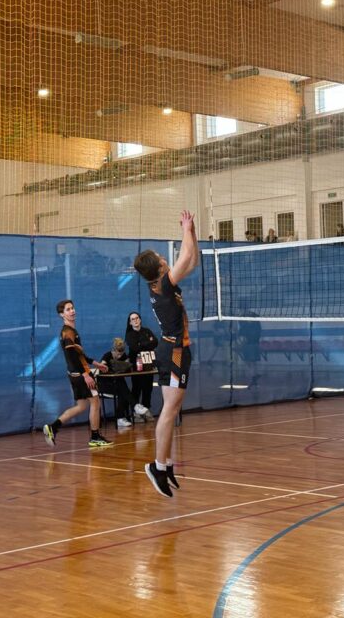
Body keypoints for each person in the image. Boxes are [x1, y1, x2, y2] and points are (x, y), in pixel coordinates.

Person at [133, 209, 199, 498]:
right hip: (173, 352)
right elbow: (185, 258)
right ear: (160, 267)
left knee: (173, 409)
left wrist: (192, 232)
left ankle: (166, 463)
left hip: (176, 350)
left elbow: (192, 260)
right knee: (170, 409)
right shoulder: (163, 285)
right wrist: (185, 228)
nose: (164, 257)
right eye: (161, 257)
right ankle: (157, 466)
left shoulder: (162, 284)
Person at [42, 300, 113, 448]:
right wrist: (85, 374)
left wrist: (95, 363)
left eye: (72, 308)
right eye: (68, 309)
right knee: (95, 402)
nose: (72, 311)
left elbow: (79, 354)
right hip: (80, 375)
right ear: (62, 314)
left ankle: (53, 427)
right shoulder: (68, 332)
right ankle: (95, 437)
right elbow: (71, 356)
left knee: (81, 406)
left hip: (75, 374)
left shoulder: (71, 331)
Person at [125, 311, 158, 422]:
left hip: (148, 364)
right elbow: (135, 348)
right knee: (137, 388)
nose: (135, 320)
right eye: (133, 319)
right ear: (130, 322)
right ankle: (136, 413)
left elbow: (155, 342)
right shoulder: (129, 335)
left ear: (140, 319)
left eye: (137, 318)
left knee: (148, 388)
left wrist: (141, 343)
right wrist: (147, 342)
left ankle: (146, 411)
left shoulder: (147, 331)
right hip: (136, 365)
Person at [99, 337, 135, 428]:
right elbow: (101, 370)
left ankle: (120, 418)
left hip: (118, 385)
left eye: (121, 354)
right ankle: (134, 405)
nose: (119, 356)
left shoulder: (124, 356)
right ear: (113, 350)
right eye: (117, 354)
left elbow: (128, 368)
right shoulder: (107, 356)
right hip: (105, 385)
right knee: (122, 388)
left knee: (121, 388)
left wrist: (126, 366)